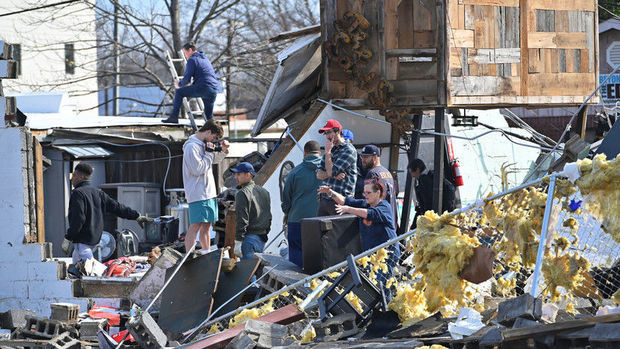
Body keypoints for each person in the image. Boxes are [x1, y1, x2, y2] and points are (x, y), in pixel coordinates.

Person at [318, 179, 400, 297]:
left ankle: (386, 310)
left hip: (387, 254)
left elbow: (369, 213)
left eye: (368, 193)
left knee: (381, 285)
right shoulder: (365, 203)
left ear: (377, 193)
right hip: (372, 255)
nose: (365, 196)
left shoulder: (384, 206)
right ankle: (380, 310)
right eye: (364, 193)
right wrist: (330, 192)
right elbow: (345, 200)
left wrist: (348, 209)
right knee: (373, 285)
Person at [62, 162, 152, 264]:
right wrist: (136, 216)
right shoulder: (98, 193)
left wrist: (68, 238)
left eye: (74, 175)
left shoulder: (78, 194)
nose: (72, 178)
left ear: (81, 177)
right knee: (76, 264)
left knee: (89, 268)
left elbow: (78, 219)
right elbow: (117, 207)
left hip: (83, 240)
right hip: (95, 238)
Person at [183, 119, 229, 253]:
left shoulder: (203, 144)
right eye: (214, 137)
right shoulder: (191, 146)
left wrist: (223, 151)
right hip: (198, 193)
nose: (213, 140)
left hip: (208, 192)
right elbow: (197, 169)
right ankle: (189, 256)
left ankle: (206, 253)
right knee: (195, 225)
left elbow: (213, 160)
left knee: (207, 226)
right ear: (208, 131)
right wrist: (209, 153)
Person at [281, 141, 322, 268]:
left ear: (304, 153)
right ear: (320, 154)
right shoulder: (328, 171)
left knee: (296, 262)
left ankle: (296, 287)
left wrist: (287, 212)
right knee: (319, 258)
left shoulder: (294, 172)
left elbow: (286, 199)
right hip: (321, 221)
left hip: (297, 220)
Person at [163, 42, 221, 123]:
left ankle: (174, 117)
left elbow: (187, 79)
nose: (185, 56)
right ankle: (216, 134)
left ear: (190, 50)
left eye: (185, 53)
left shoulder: (192, 60)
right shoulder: (205, 59)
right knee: (209, 115)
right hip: (213, 90)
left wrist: (179, 84)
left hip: (203, 87)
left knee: (179, 92)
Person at [316, 119, 357, 216]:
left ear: (338, 131)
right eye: (325, 133)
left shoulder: (349, 150)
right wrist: (333, 176)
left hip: (340, 200)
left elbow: (331, 172)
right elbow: (318, 174)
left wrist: (328, 153)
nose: (327, 137)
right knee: (317, 230)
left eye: (329, 132)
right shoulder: (331, 148)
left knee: (338, 231)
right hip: (325, 199)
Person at [232, 162, 272, 260]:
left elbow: (242, 220)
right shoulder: (265, 192)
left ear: (248, 175)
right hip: (261, 238)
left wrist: (238, 241)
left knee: (248, 273)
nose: (235, 177)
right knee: (257, 271)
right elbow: (269, 217)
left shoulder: (242, 193)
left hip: (248, 239)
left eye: (238, 174)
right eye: (235, 174)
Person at [408, 158, 456, 229]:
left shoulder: (424, 181)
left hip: (435, 219)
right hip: (445, 213)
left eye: (411, 172)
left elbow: (427, 202)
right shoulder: (432, 176)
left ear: (417, 169)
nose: (412, 175)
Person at [360, 145, 399, 229]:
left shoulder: (373, 174)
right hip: (390, 220)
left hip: (380, 223)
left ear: (375, 157)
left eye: (366, 157)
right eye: (362, 157)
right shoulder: (387, 172)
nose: (363, 160)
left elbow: (369, 200)